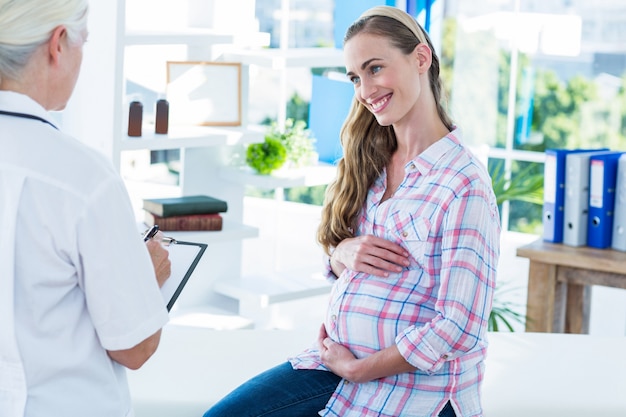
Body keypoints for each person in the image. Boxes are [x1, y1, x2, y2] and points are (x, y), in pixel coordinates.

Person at [203, 5, 500, 417]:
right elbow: (348, 261)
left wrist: (360, 368)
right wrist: (339, 255)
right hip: (335, 367)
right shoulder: (372, 163)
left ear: (420, 58)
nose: (365, 89)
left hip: (414, 391)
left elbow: (459, 327)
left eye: (375, 68)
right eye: (356, 77)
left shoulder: (463, 183)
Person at [0, 1, 172, 416]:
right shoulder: (80, 176)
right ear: (58, 44)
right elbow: (134, 347)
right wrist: (145, 279)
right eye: (84, 43)